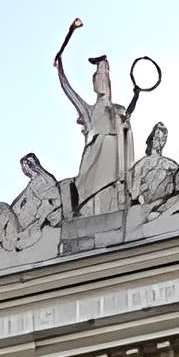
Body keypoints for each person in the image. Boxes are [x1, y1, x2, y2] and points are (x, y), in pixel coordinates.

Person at [54, 17, 142, 215]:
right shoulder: (89, 111)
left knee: (112, 185)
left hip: (113, 150)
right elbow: (68, 89)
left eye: (105, 76)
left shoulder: (117, 109)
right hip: (96, 150)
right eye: (98, 76)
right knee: (88, 185)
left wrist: (136, 95)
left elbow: (127, 115)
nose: (102, 80)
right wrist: (60, 69)